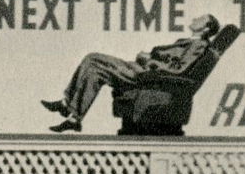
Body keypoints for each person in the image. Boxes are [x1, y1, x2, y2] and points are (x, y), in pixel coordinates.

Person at [41, 14, 223, 132]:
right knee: (94, 70)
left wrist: (149, 60)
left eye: (200, 19)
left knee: (93, 59)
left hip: (144, 76)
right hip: (142, 72)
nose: (195, 18)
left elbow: (179, 69)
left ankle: (68, 107)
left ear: (206, 29)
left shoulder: (198, 45)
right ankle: (73, 117)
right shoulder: (188, 42)